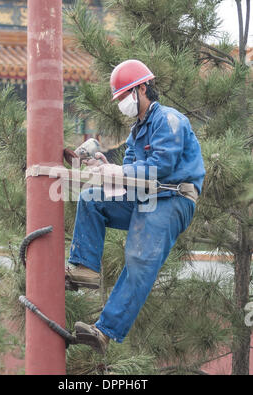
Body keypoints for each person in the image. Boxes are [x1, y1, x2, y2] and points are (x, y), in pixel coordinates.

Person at [66, 59, 206, 354]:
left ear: (142, 88)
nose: (121, 103)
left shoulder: (169, 120)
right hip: (148, 196)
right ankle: (85, 268)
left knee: (139, 260)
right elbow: (130, 177)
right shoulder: (136, 132)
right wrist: (105, 166)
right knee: (92, 200)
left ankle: (104, 332)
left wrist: (117, 173)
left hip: (173, 198)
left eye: (123, 96)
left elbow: (160, 167)